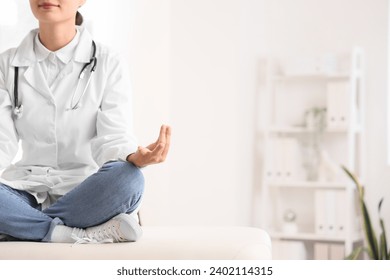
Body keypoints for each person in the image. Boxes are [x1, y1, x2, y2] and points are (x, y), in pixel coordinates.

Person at [0, 0, 171, 243]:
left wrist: (134, 157)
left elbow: (113, 137)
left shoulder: (109, 62)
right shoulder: (6, 65)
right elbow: (1, 143)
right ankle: (71, 233)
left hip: (86, 191)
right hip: (26, 188)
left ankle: (22, 225)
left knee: (129, 178)